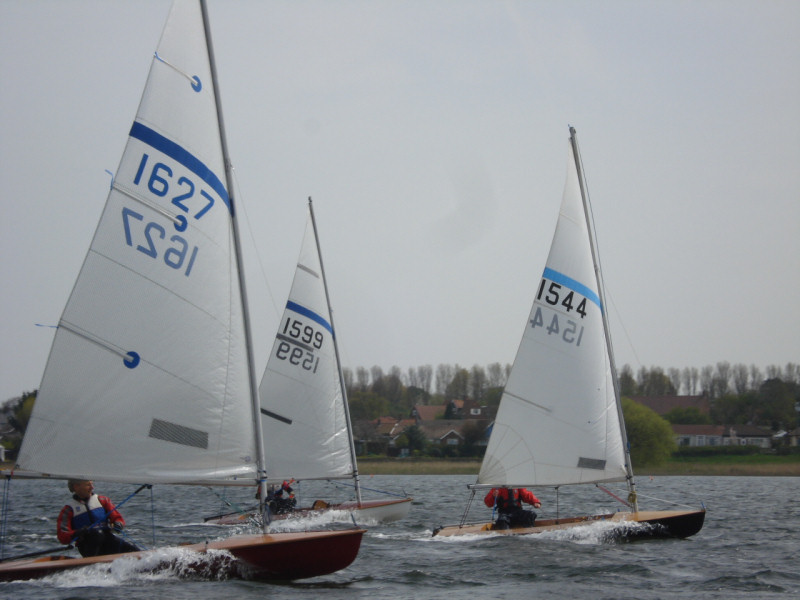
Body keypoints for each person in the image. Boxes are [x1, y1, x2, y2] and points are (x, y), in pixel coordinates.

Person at [57, 479, 140, 557]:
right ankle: (92, 563)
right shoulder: (68, 510)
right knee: (97, 534)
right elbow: (62, 536)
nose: (92, 487)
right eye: (88, 485)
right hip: (86, 546)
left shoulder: (103, 500)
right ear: (76, 487)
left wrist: (118, 524)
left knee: (134, 550)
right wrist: (77, 533)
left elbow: (117, 518)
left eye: (92, 484)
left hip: (108, 540)